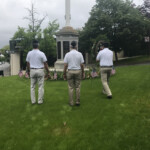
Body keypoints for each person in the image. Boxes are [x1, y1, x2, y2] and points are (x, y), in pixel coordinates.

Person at [26, 40, 50, 104]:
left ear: (33, 46)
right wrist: (48, 71)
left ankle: (33, 101)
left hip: (32, 70)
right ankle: (40, 101)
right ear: (38, 45)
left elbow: (28, 63)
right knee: (40, 86)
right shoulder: (42, 53)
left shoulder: (29, 53)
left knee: (32, 86)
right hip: (40, 70)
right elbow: (45, 64)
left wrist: (28, 70)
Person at [63, 41, 85, 106]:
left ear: (70, 46)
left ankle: (71, 102)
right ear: (76, 46)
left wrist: (64, 73)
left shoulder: (67, 54)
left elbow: (65, 65)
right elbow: (82, 65)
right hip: (78, 71)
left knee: (70, 87)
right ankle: (77, 101)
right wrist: (83, 72)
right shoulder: (80, 54)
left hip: (70, 71)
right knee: (78, 87)